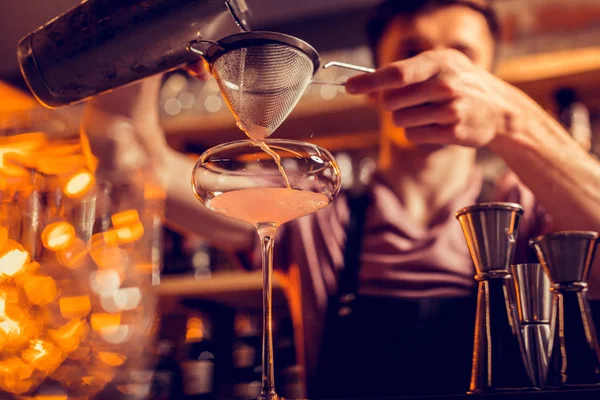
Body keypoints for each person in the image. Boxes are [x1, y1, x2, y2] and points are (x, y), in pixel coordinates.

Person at [81, 0, 600, 397]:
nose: (437, 72)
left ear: (490, 81)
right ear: (377, 77)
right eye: (411, 52)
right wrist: (142, 22)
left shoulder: (529, 216)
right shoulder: (310, 211)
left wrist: (513, 120)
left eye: (462, 59)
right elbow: (128, 160)